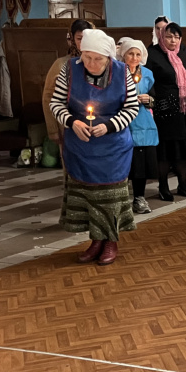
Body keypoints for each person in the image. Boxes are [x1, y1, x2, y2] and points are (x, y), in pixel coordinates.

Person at [49, 28, 139, 266]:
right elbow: (56, 103)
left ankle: (111, 242)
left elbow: (132, 108)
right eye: (86, 57)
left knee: (109, 198)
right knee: (87, 197)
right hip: (81, 146)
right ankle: (96, 241)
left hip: (112, 148)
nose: (90, 63)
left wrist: (109, 126)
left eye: (97, 58)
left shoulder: (122, 72)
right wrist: (72, 122)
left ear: (108, 57)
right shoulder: (69, 69)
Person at [146, 22, 186, 201]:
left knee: (183, 150)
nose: (173, 40)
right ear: (161, 37)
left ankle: (182, 183)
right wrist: (153, 100)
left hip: (184, 111)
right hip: (165, 111)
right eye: (169, 36)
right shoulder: (153, 54)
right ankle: (163, 186)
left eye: (176, 37)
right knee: (165, 151)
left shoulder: (183, 52)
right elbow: (149, 81)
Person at [116, 37, 158, 215]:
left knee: (140, 165)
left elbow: (154, 98)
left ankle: (139, 198)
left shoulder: (147, 73)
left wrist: (148, 99)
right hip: (123, 121)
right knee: (123, 164)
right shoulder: (117, 72)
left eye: (137, 54)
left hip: (142, 122)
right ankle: (119, 200)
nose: (134, 58)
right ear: (123, 55)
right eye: (130, 54)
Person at [43, 19, 89, 155]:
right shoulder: (61, 64)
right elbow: (48, 97)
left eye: (87, 38)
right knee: (71, 161)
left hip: (95, 125)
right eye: (79, 38)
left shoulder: (102, 63)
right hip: (68, 124)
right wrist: (53, 129)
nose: (84, 42)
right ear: (72, 40)